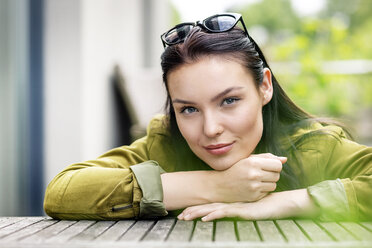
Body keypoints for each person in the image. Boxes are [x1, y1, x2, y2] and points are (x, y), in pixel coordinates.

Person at [44, 13, 372, 221]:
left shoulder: (313, 148)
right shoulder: (164, 145)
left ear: (264, 87)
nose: (211, 129)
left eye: (229, 100)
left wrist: (288, 202)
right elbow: (63, 191)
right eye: (188, 109)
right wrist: (218, 185)